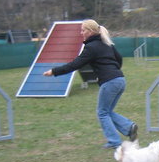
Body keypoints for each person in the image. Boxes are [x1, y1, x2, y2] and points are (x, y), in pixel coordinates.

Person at [43, 19, 137, 149]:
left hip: (110, 82)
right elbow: (119, 59)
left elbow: (75, 64)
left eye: (83, 30)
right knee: (107, 111)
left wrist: (54, 71)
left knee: (102, 112)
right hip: (120, 80)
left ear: (91, 31)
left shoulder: (91, 47)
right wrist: (114, 71)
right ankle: (129, 127)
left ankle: (115, 142)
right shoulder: (106, 43)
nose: (81, 33)